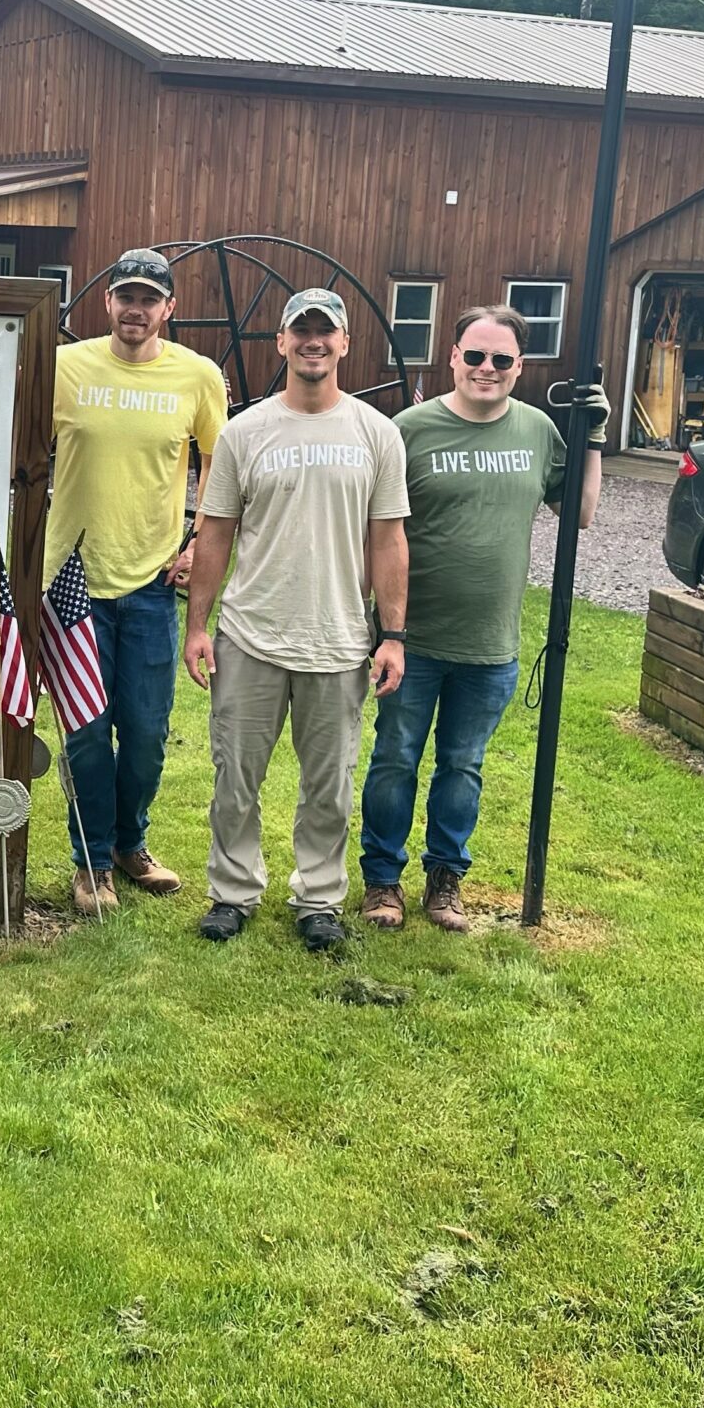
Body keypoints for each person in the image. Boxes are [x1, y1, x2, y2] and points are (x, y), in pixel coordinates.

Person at [359, 305, 604, 931]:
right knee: (394, 758)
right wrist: (383, 626)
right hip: (410, 638)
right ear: (454, 357)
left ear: (519, 367)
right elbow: (374, 531)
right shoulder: (409, 429)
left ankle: (446, 881)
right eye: (475, 355)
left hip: (491, 642)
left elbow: (577, 512)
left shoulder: (538, 431)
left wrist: (592, 440)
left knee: (462, 766)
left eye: (501, 359)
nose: (486, 369)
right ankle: (382, 881)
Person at [182, 288, 409, 952]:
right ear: (280, 343)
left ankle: (319, 898)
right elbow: (215, 533)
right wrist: (198, 627)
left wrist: (392, 635)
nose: (313, 341)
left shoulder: (377, 434)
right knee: (236, 777)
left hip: (338, 640)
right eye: (300, 330)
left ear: (344, 343)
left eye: (325, 331)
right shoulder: (244, 432)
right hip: (251, 634)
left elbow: (389, 540)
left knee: (329, 785)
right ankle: (232, 891)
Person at [44, 247, 226, 915]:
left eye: (150, 299)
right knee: (87, 730)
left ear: (169, 309)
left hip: (150, 583)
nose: (136, 309)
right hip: (71, 582)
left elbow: (220, 466)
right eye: (126, 296)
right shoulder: (66, 368)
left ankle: (130, 843)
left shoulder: (197, 376)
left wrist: (197, 538)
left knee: (146, 732)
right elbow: (21, 445)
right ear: (108, 302)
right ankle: (90, 862)